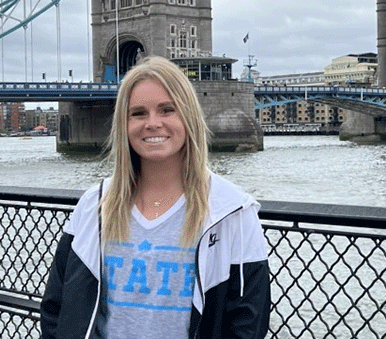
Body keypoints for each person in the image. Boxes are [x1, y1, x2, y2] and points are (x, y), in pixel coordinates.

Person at [40, 56, 271, 338]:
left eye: (167, 110)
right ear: (123, 125)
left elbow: (248, 323)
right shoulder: (93, 207)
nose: (152, 123)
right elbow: (55, 310)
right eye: (138, 113)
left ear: (188, 117)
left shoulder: (232, 212)